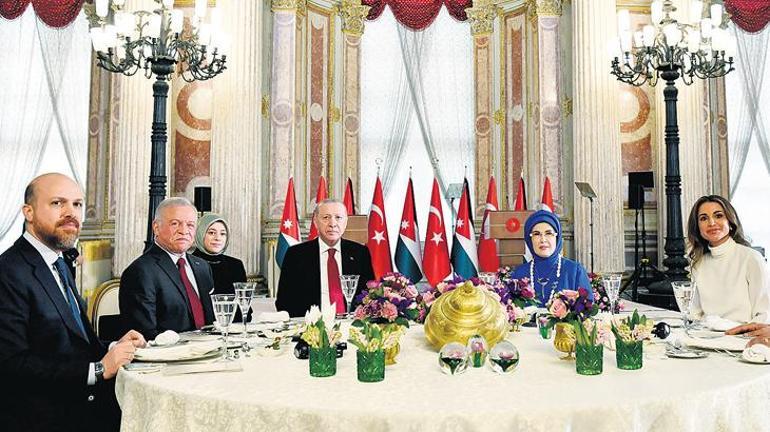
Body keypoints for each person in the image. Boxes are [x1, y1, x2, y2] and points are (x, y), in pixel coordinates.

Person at [0, 173, 145, 432]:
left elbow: (74, 343)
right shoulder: (8, 271)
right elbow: (11, 364)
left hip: (84, 411)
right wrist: (98, 370)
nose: (71, 213)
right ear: (28, 212)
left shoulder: (59, 262)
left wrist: (115, 346)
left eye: (77, 204)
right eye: (57, 203)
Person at [120, 197, 215, 339]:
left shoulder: (202, 267)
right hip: (169, 352)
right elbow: (144, 335)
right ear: (156, 227)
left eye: (190, 225)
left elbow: (212, 321)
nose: (184, 231)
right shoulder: (140, 271)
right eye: (175, 223)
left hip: (210, 347)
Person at [276, 199, 374, 317]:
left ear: (346, 222)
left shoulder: (360, 253)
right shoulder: (296, 255)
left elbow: (369, 296)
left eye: (338, 217)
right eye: (326, 217)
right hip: (310, 324)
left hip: (351, 323)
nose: (332, 224)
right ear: (315, 221)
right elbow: (284, 302)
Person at [686, 195, 770, 323]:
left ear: (730, 222)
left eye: (718, 216)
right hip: (705, 333)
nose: (711, 223)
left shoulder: (751, 258)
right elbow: (695, 314)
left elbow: (765, 315)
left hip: (744, 333)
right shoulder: (698, 263)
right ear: (697, 227)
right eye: (704, 218)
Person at [510, 210, 592, 304]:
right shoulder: (519, 273)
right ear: (529, 239)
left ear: (557, 237)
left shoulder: (575, 271)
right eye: (536, 234)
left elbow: (588, 308)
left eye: (548, 233)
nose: (543, 240)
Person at [192, 214, 247, 320]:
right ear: (200, 233)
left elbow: (244, 308)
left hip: (234, 327)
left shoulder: (235, 265)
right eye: (211, 233)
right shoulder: (187, 263)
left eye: (223, 234)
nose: (217, 238)